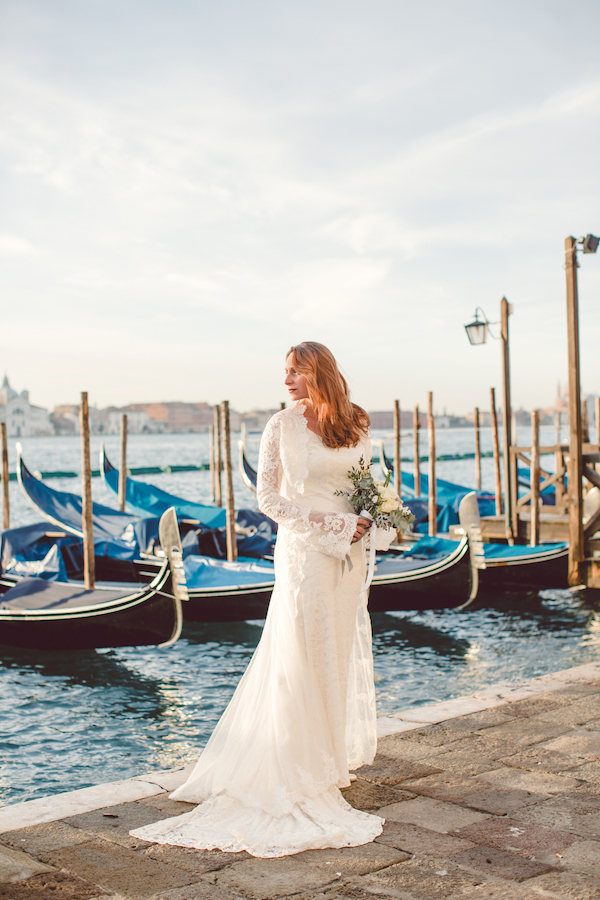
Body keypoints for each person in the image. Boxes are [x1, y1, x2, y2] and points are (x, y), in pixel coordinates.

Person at [130, 341, 394, 857]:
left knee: (334, 650)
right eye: (287, 373)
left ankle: (327, 761)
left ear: (320, 374)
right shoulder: (281, 426)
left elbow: (369, 481)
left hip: (353, 550)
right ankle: (296, 766)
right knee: (300, 653)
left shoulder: (357, 421)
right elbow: (269, 499)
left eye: (296, 372)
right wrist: (334, 523)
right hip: (306, 552)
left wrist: (376, 517)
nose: (288, 381)